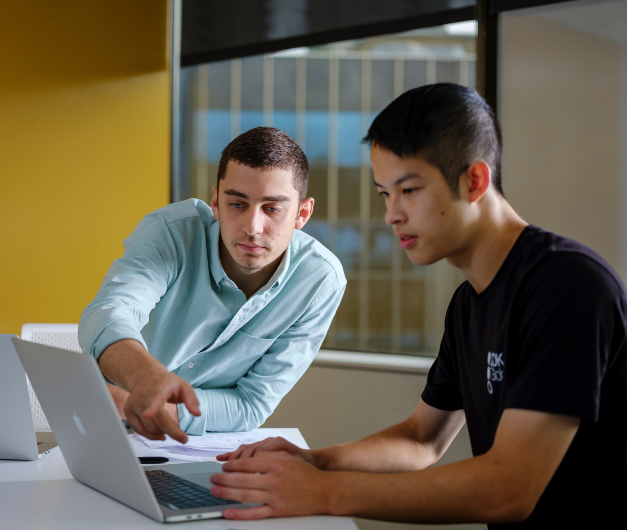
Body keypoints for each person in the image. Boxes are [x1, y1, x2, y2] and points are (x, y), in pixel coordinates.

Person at [209, 83, 627, 528]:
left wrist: (325, 492)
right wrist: (316, 462)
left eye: (409, 190)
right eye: (386, 194)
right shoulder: (469, 303)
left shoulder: (567, 284)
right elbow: (421, 439)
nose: (391, 214)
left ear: (474, 181)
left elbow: (510, 490)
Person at [79, 127, 346, 443]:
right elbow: (107, 314)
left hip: (199, 442)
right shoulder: (173, 232)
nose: (252, 227)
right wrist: (144, 377)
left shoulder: (319, 282)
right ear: (216, 202)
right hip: (102, 428)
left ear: (302, 213)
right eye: (237, 204)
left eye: (272, 208)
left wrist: (156, 407)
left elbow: (252, 403)